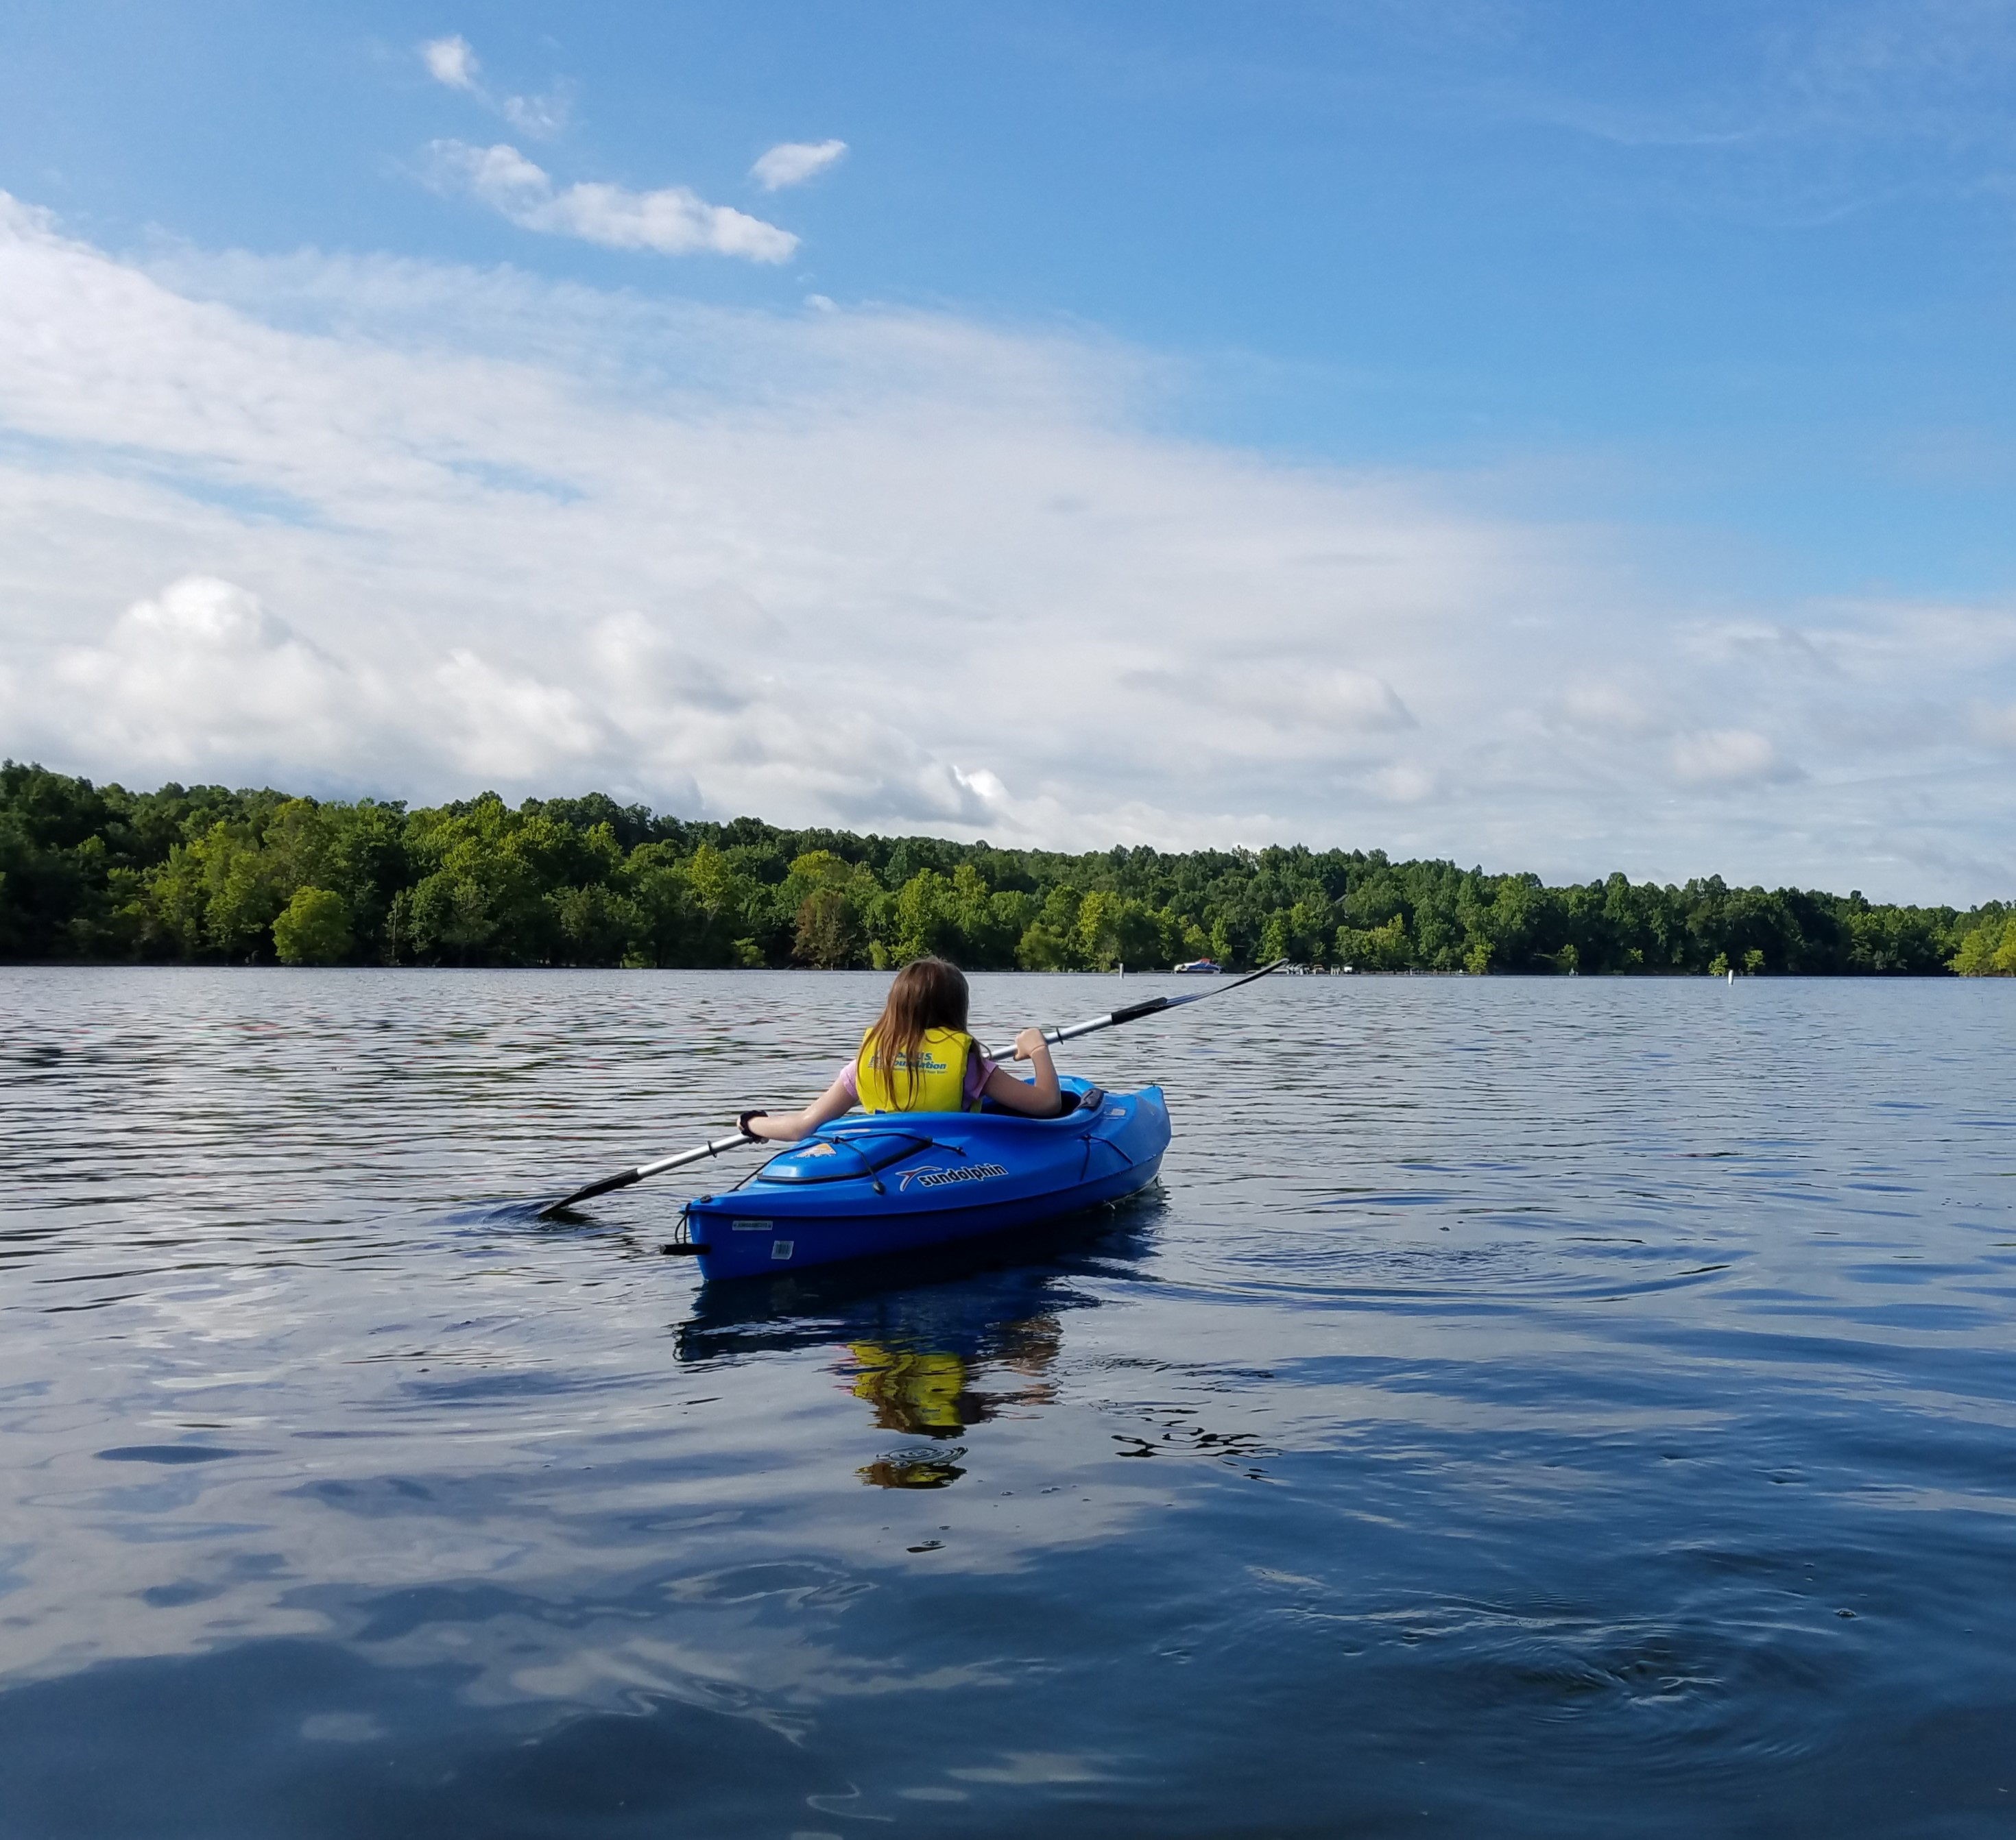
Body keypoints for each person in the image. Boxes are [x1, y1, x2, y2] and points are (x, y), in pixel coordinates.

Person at [738, 957, 1059, 1142]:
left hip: (883, 1162)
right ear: (956, 1010)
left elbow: (801, 1127)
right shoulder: (968, 1067)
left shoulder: (866, 1062)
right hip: (949, 1166)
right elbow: (1047, 1104)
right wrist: (1037, 1048)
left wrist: (753, 1124)